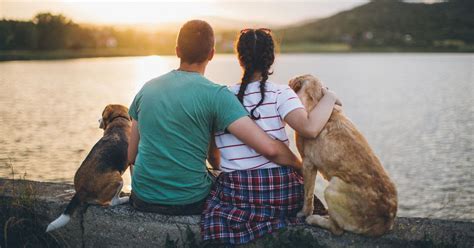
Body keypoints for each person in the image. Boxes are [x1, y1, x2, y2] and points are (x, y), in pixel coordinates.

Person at [127, 20, 302, 215]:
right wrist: (298, 165)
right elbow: (269, 148)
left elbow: (131, 155)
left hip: (142, 197)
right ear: (212, 54)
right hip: (189, 201)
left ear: (177, 51)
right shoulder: (216, 95)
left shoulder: (146, 88)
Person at [200, 28, 340, 245]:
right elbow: (310, 129)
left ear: (240, 59)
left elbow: (214, 157)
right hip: (280, 189)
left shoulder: (222, 96)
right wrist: (329, 97)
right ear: (271, 59)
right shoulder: (281, 93)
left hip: (236, 191)